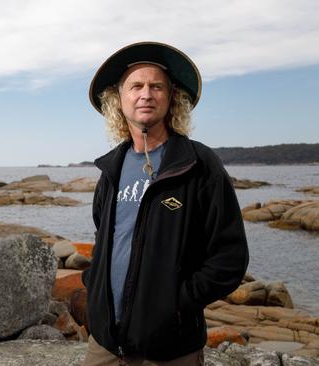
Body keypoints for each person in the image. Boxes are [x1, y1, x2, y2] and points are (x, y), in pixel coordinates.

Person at [82, 42, 249, 365]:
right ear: (119, 98)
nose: (146, 94)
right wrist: (95, 288)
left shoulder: (199, 164)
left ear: (171, 96)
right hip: (104, 343)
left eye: (156, 86)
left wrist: (174, 303)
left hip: (170, 348)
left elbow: (230, 257)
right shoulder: (111, 170)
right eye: (136, 86)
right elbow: (104, 237)